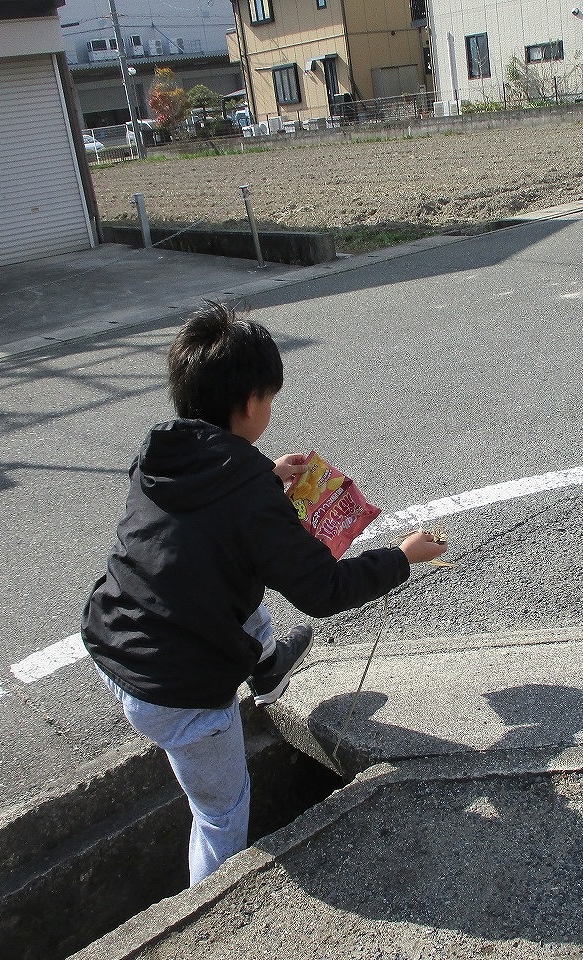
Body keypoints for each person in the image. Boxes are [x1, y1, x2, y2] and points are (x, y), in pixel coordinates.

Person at [81, 301, 446, 885]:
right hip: (178, 688)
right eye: (269, 400)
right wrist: (402, 557)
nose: (270, 410)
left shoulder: (162, 453)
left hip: (110, 637)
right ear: (250, 402)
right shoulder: (251, 499)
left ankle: (268, 666)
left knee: (231, 570)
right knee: (221, 815)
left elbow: (209, 517)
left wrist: (264, 475)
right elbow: (324, 589)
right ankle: (204, 919)